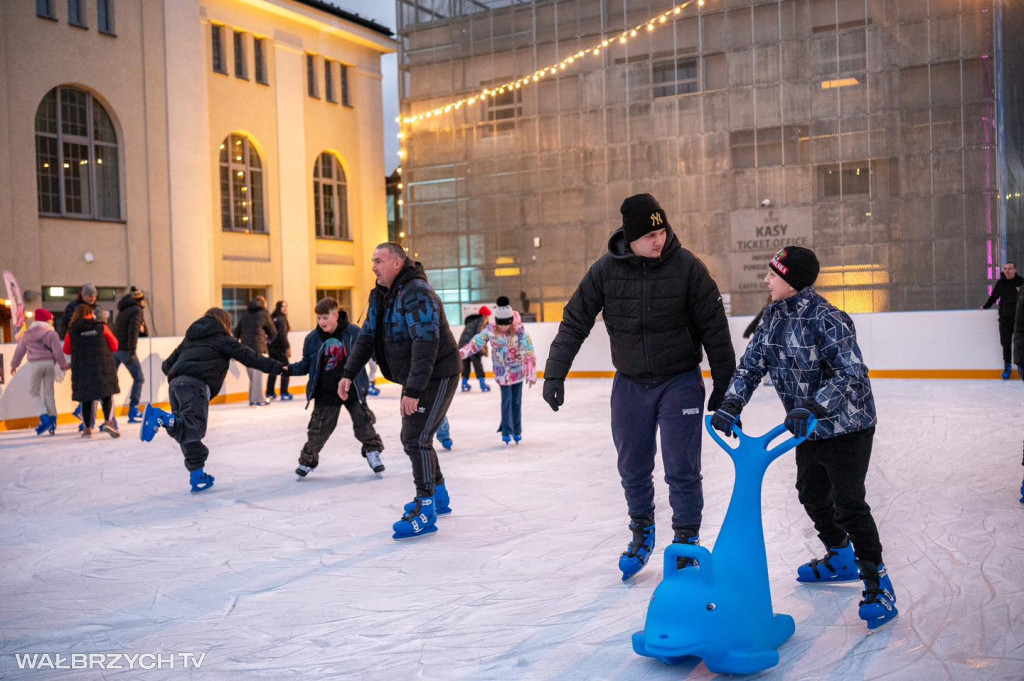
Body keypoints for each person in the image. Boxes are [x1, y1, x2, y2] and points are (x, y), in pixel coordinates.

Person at [542, 193, 736, 581]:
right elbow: (575, 321)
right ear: (631, 238)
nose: (659, 240)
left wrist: (724, 384)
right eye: (650, 235)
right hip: (630, 383)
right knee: (632, 466)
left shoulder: (686, 267)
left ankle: (685, 542)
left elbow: (714, 326)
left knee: (682, 467)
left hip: (679, 379)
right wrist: (555, 373)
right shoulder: (604, 271)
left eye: (662, 231)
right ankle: (642, 530)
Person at [710, 246, 896, 631]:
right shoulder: (773, 317)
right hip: (806, 428)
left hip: (847, 426)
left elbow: (851, 373)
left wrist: (813, 406)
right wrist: (731, 404)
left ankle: (878, 584)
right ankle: (839, 555)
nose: (766, 280)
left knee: (848, 502)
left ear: (791, 281)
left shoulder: (826, 318)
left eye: (773, 275)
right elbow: (750, 364)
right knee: (811, 493)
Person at [339, 242, 461, 540]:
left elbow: (426, 342)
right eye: (373, 261)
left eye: (378, 260)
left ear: (397, 263)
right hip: (418, 375)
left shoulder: (417, 292)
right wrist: (348, 373)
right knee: (418, 438)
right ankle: (439, 495)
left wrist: (414, 389)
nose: (373, 267)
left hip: (438, 372)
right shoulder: (381, 295)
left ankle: (426, 508)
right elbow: (367, 337)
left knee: (415, 438)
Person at [139, 308, 287, 493]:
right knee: (194, 428)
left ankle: (197, 475)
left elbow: (166, 366)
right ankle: (161, 417)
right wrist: (281, 368)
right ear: (225, 323)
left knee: (187, 433)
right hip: (196, 385)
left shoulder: (191, 338)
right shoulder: (222, 338)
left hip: (176, 385)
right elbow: (252, 358)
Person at [288, 298, 386, 478]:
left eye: (325, 317)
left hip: (353, 388)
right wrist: (288, 369)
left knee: (363, 424)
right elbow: (305, 364)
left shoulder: (353, 333)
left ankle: (373, 452)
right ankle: (308, 460)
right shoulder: (312, 338)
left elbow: (370, 352)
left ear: (336, 315)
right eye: (318, 318)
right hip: (326, 391)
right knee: (318, 430)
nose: (321, 322)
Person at [459, 297, 536, 444]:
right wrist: (460, 354)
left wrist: (530, 371)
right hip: (502, 373)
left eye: (505, 325)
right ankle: (506, 432)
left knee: (517, 401)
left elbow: (529, 349)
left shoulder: (519, 331)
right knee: (506, 400)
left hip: (517, 371)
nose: (503, 328)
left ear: (510, 322)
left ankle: (517, 430)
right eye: (500, 324)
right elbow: (475, 343)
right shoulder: (490, 330)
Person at [63, 303, 121, 438]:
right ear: (91, 313)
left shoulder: (72, 331)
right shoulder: (101, 327)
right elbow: (114, 345)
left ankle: (87, 429)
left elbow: (66, 349)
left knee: (86, 398)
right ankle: (108, 421)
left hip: (82, 369)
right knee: (107, 395)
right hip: (103, 367)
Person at [10, 308, 68, 435]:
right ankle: (52, 421)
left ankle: (44, 417)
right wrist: (63, 365)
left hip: (35, 365)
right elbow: (58, 352)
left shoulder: (27, 334)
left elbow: (20, 350)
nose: (52, 321)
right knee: (49, 393)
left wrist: (14, 365)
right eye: (51, 319)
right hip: (49, 364)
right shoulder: (52, 334)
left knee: (34, 392)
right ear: (46, 320)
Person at [981, 262, 1023, 379]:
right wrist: (985, 306)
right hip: (1004, 319)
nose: (1007, 271)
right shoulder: (1000, 283)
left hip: (1019, 320)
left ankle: (1021, 366)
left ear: (1015, 270)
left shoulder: (1021, 282)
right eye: (1005, 269)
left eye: (1010, 268)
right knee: (1006, 344)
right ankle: (1007, 366)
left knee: (1020, 344)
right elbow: (993, 297)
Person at [234, 295, 277, 405]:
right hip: (258, 348)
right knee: (257, 375)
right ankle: (258, 399)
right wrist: (267, 340)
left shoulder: (245, 315)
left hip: (245, 349)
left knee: (253, 376)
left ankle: (253, 399)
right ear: (264, 303)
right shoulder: (264, 314)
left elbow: (236, 332)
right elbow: (273, 332)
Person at [113, 286, 147, 422]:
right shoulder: (136, 310)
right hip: (126, 349)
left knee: (108, 382)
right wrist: (132, 351)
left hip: (115, 349)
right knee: (139, 378)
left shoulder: (123, 310)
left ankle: (85, 410)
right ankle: (134, 409)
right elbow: (133, 330)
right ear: (139, 300)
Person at [458, 305, 492, 392]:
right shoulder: (482, 320)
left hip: (462, 344)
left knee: (466, 364)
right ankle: (483, 384)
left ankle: (464, 384)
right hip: (472, 344)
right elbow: (480, 334)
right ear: (485, 315)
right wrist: (481, 349)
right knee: (477, 364)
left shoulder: (472, 322)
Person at [266, 300, 292, 401]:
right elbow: (282, 335)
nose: (285, 308)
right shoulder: (282, 319)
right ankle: (284, 392)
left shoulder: (273, 318)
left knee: (273, 369)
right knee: (286, 369)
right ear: (279, 308)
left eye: (286, 306)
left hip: (271, 347)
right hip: (280, 348)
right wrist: (287, 347)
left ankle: (270, 392)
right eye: (283, 307)